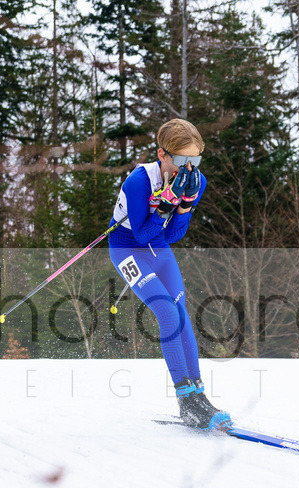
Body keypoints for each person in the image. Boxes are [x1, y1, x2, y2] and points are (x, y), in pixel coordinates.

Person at [108, 119, 231, 430]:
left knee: (180, 311)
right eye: (180, 160)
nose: (187, 168)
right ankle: (185, 398)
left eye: (195, 160)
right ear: (161, 154)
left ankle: (198, 396)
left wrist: (185, 205)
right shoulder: (138, 182)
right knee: (165, 310)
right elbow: (141, 235)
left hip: (159, 248)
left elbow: (173, 235)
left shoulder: (195, 180)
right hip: (127, 248)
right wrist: (165, 204)